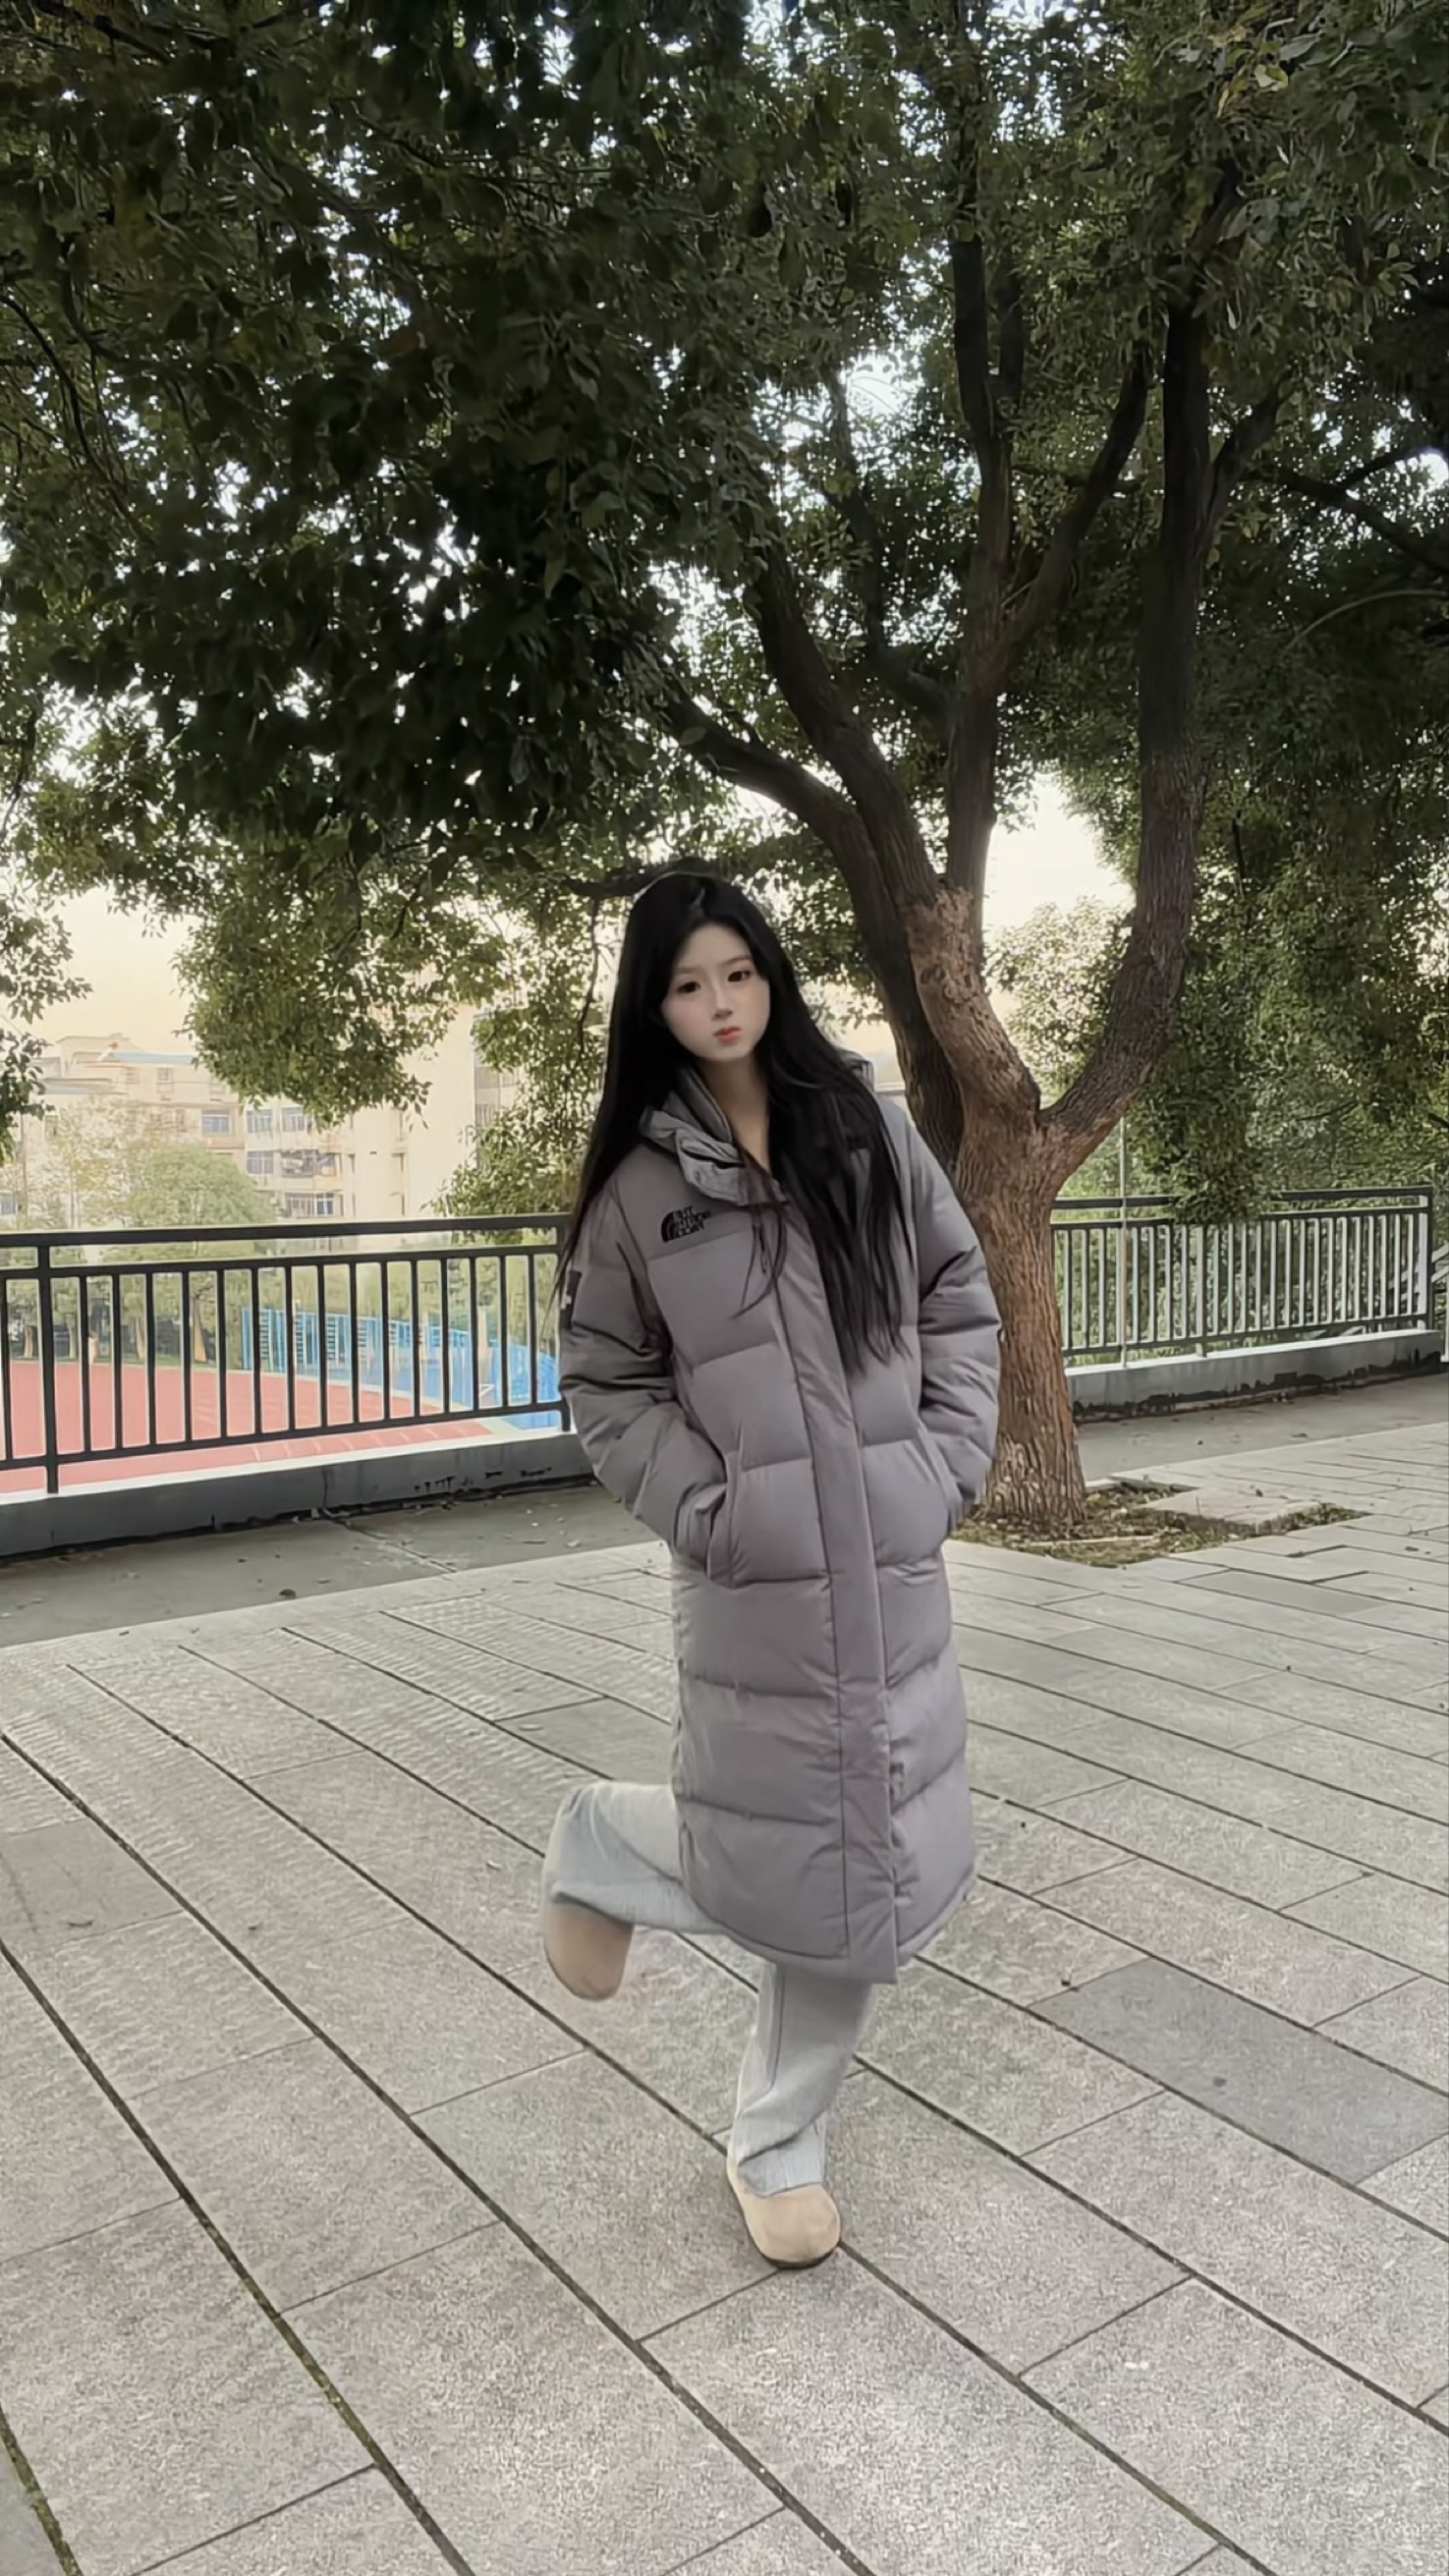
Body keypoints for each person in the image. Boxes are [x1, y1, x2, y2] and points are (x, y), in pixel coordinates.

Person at [541, 872, 1000, 2266]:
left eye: (738, 972)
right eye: (689, 985)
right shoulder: (639, 1194)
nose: (721, 1004)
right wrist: (716, 1509)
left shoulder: (864, 1128)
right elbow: (607, 1382)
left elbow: (958, 1293)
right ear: (655, 1007)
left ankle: (765, 2117)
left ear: (771, 975)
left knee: (861, 1856)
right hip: (756, 1579)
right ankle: (771, 2132)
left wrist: (941, 1465)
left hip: (891, 1554)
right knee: (804, 1849)